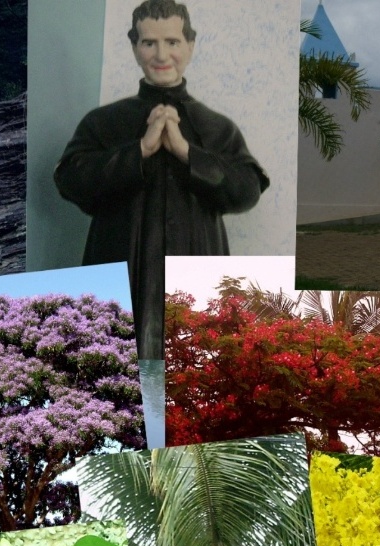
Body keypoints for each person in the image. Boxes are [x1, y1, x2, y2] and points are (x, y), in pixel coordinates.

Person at [54, 0, 269, 360]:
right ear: (134, 46)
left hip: (198, 279)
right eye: (149, 43)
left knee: (194, 386)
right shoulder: (102, 122)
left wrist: (187, 152)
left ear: (190, 44)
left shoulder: (217, 127)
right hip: (116, 276)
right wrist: (139, 150)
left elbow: (247, 190)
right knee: (110, 389)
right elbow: (69, 180)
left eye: (172, 42)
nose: (161, 54)